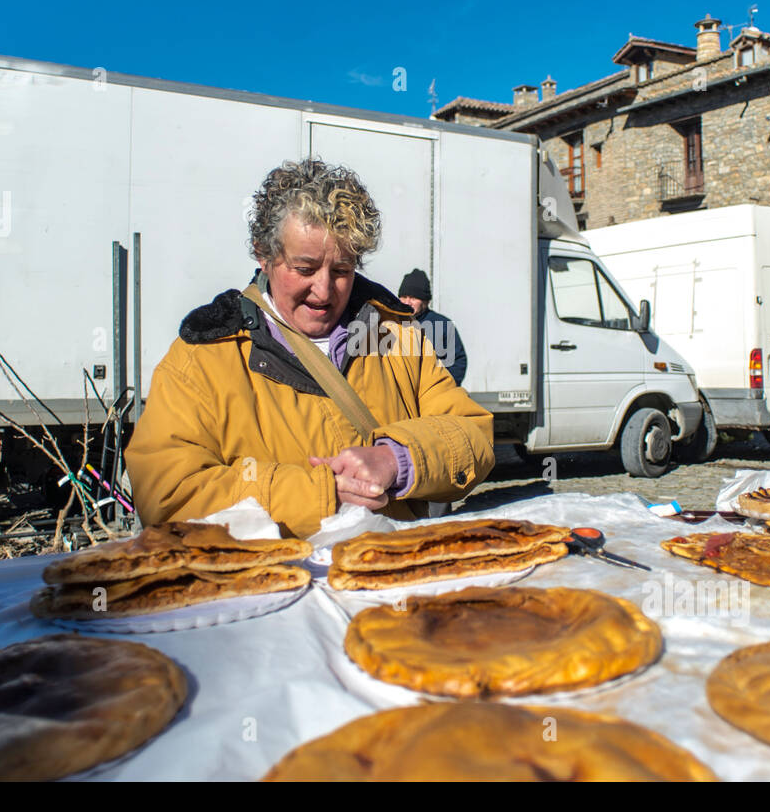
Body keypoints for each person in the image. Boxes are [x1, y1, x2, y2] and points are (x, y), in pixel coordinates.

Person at [124, 158, 495, 538]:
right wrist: (320, 494)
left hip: (392, 577)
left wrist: (397, 458)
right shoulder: (201, 356)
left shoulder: (397, 335)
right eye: (304, 269)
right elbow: (166, 493)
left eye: (341, 271)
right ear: (263, 256)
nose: (323, 290)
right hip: (271, 591)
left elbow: (473, 435)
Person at [397, 268, 468, 386]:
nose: (407, 302)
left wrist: (444, 386)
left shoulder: (443, 325)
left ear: (425, 301)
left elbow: (458, 361)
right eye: (404, 297)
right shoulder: (392, 323)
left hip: (433, 393)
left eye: (413, 298)